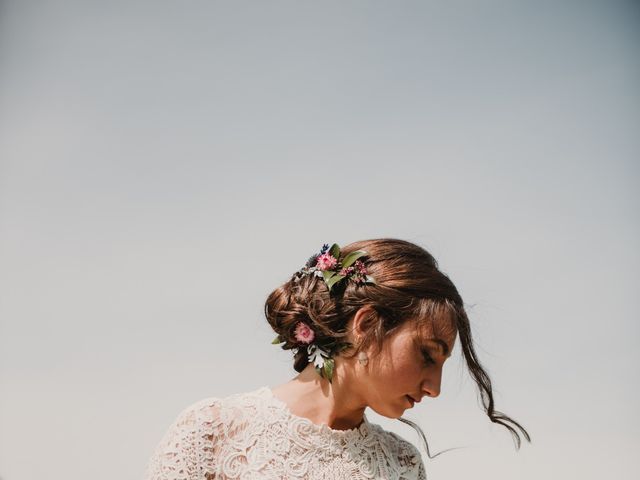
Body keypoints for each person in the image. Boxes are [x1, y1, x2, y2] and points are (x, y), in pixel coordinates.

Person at [143, 238, 530, 480]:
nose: (435, 388)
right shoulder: (214, 429)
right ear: (366, 325)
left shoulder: (401, 465)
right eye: (427, 354)